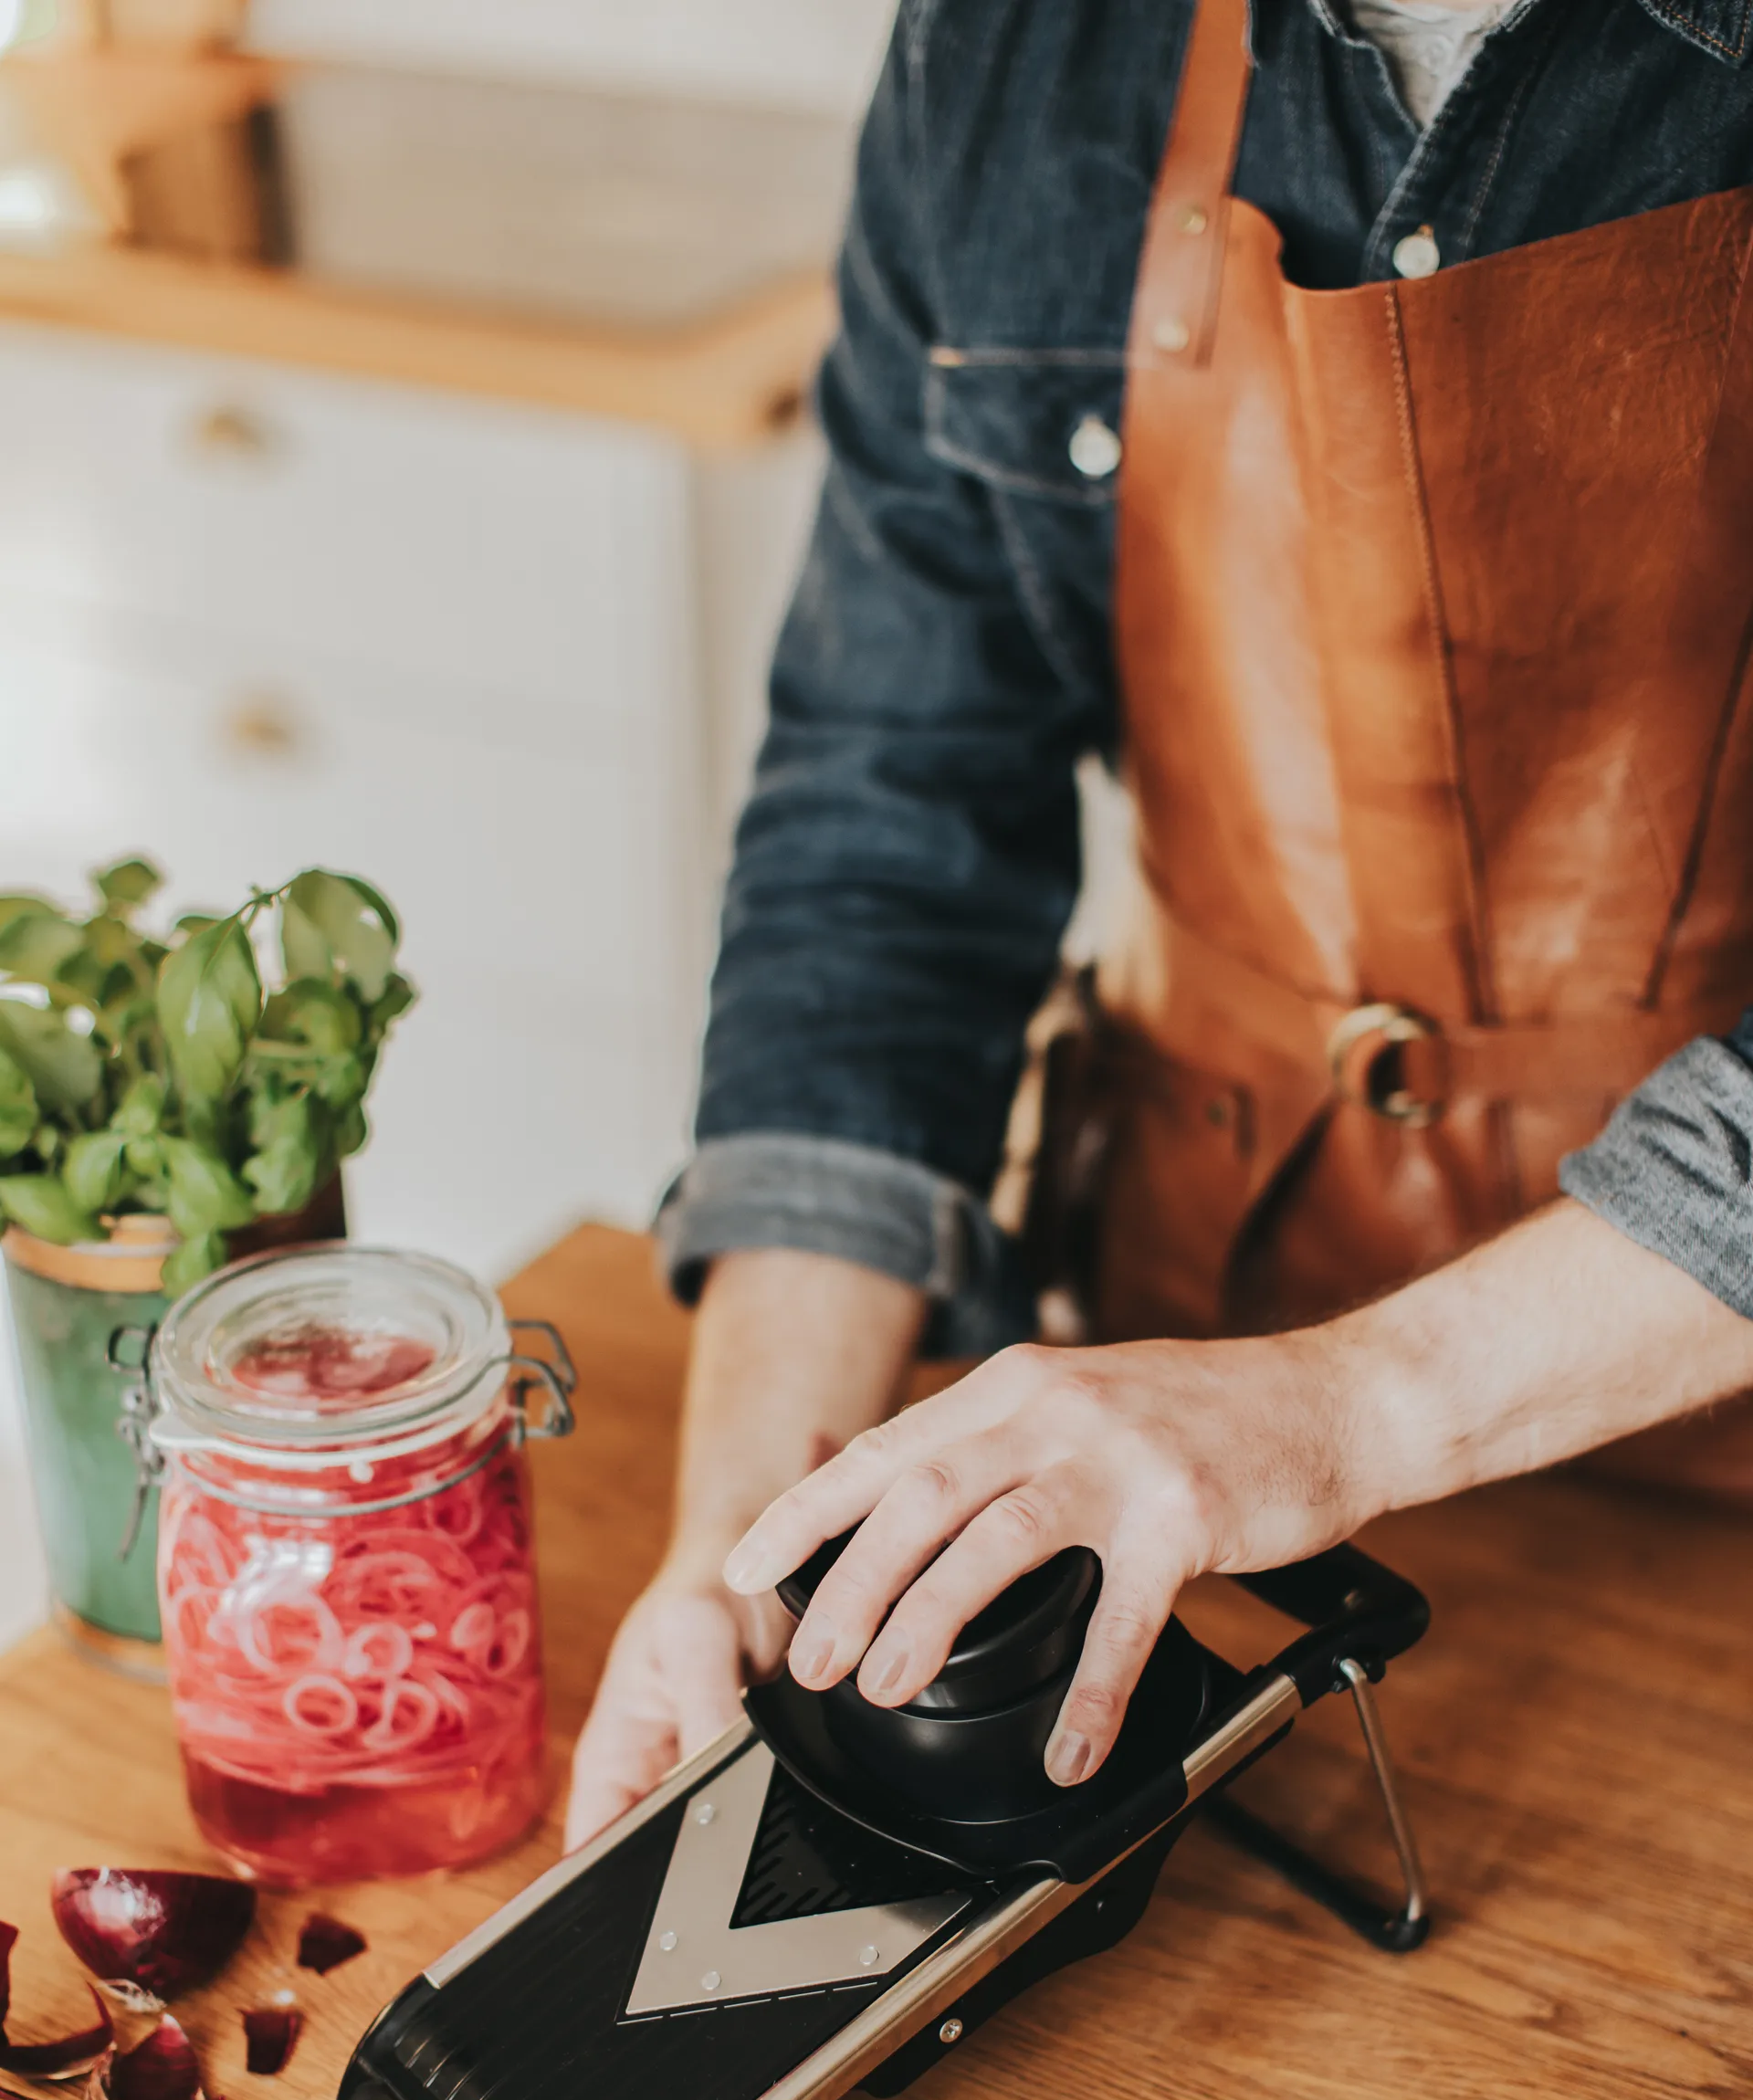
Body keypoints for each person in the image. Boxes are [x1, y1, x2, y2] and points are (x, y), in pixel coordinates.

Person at [568, 0, 1753, 1845]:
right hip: (1185, 1433)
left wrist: (1349, 1410)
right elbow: (893, 805)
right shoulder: (1013, 46)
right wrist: (753, 1538)